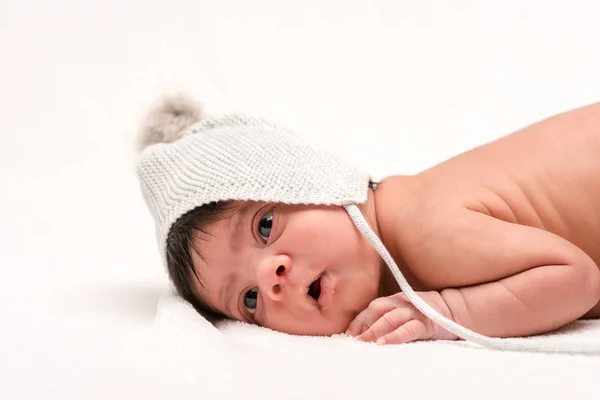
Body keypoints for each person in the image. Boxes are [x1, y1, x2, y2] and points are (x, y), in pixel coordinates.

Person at [136, 96, 600, 345]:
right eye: (249, 299)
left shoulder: (421, 227)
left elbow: (576, 279)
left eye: (264, 226)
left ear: (318, 183)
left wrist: (448, 312)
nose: (270, 276)